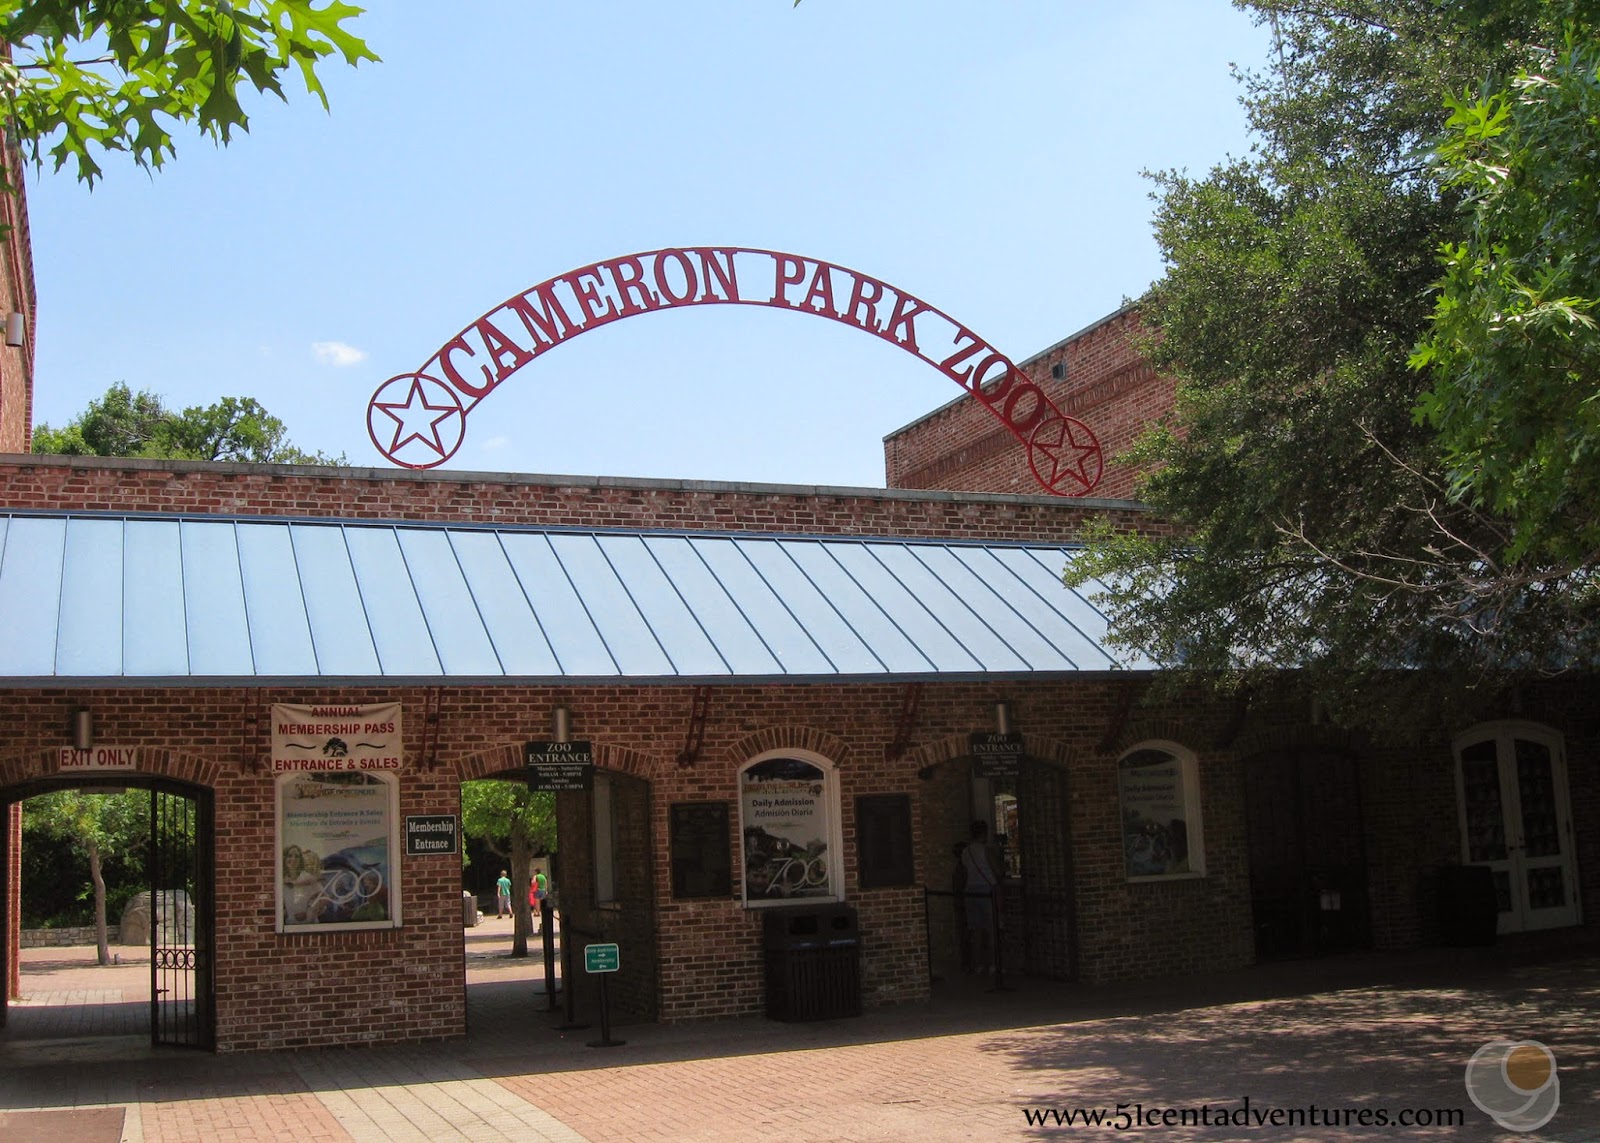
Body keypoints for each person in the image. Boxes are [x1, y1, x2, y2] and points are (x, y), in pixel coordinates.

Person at [960, 820, 1000, 974]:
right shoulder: (986, 850)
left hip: (970, 890)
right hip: (987, 890)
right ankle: (994, 964)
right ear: (984, 833)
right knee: (992, 929)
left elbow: (965, 872)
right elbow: (997, 870)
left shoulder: (965, 852)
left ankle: (977, 965)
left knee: (976, 930)